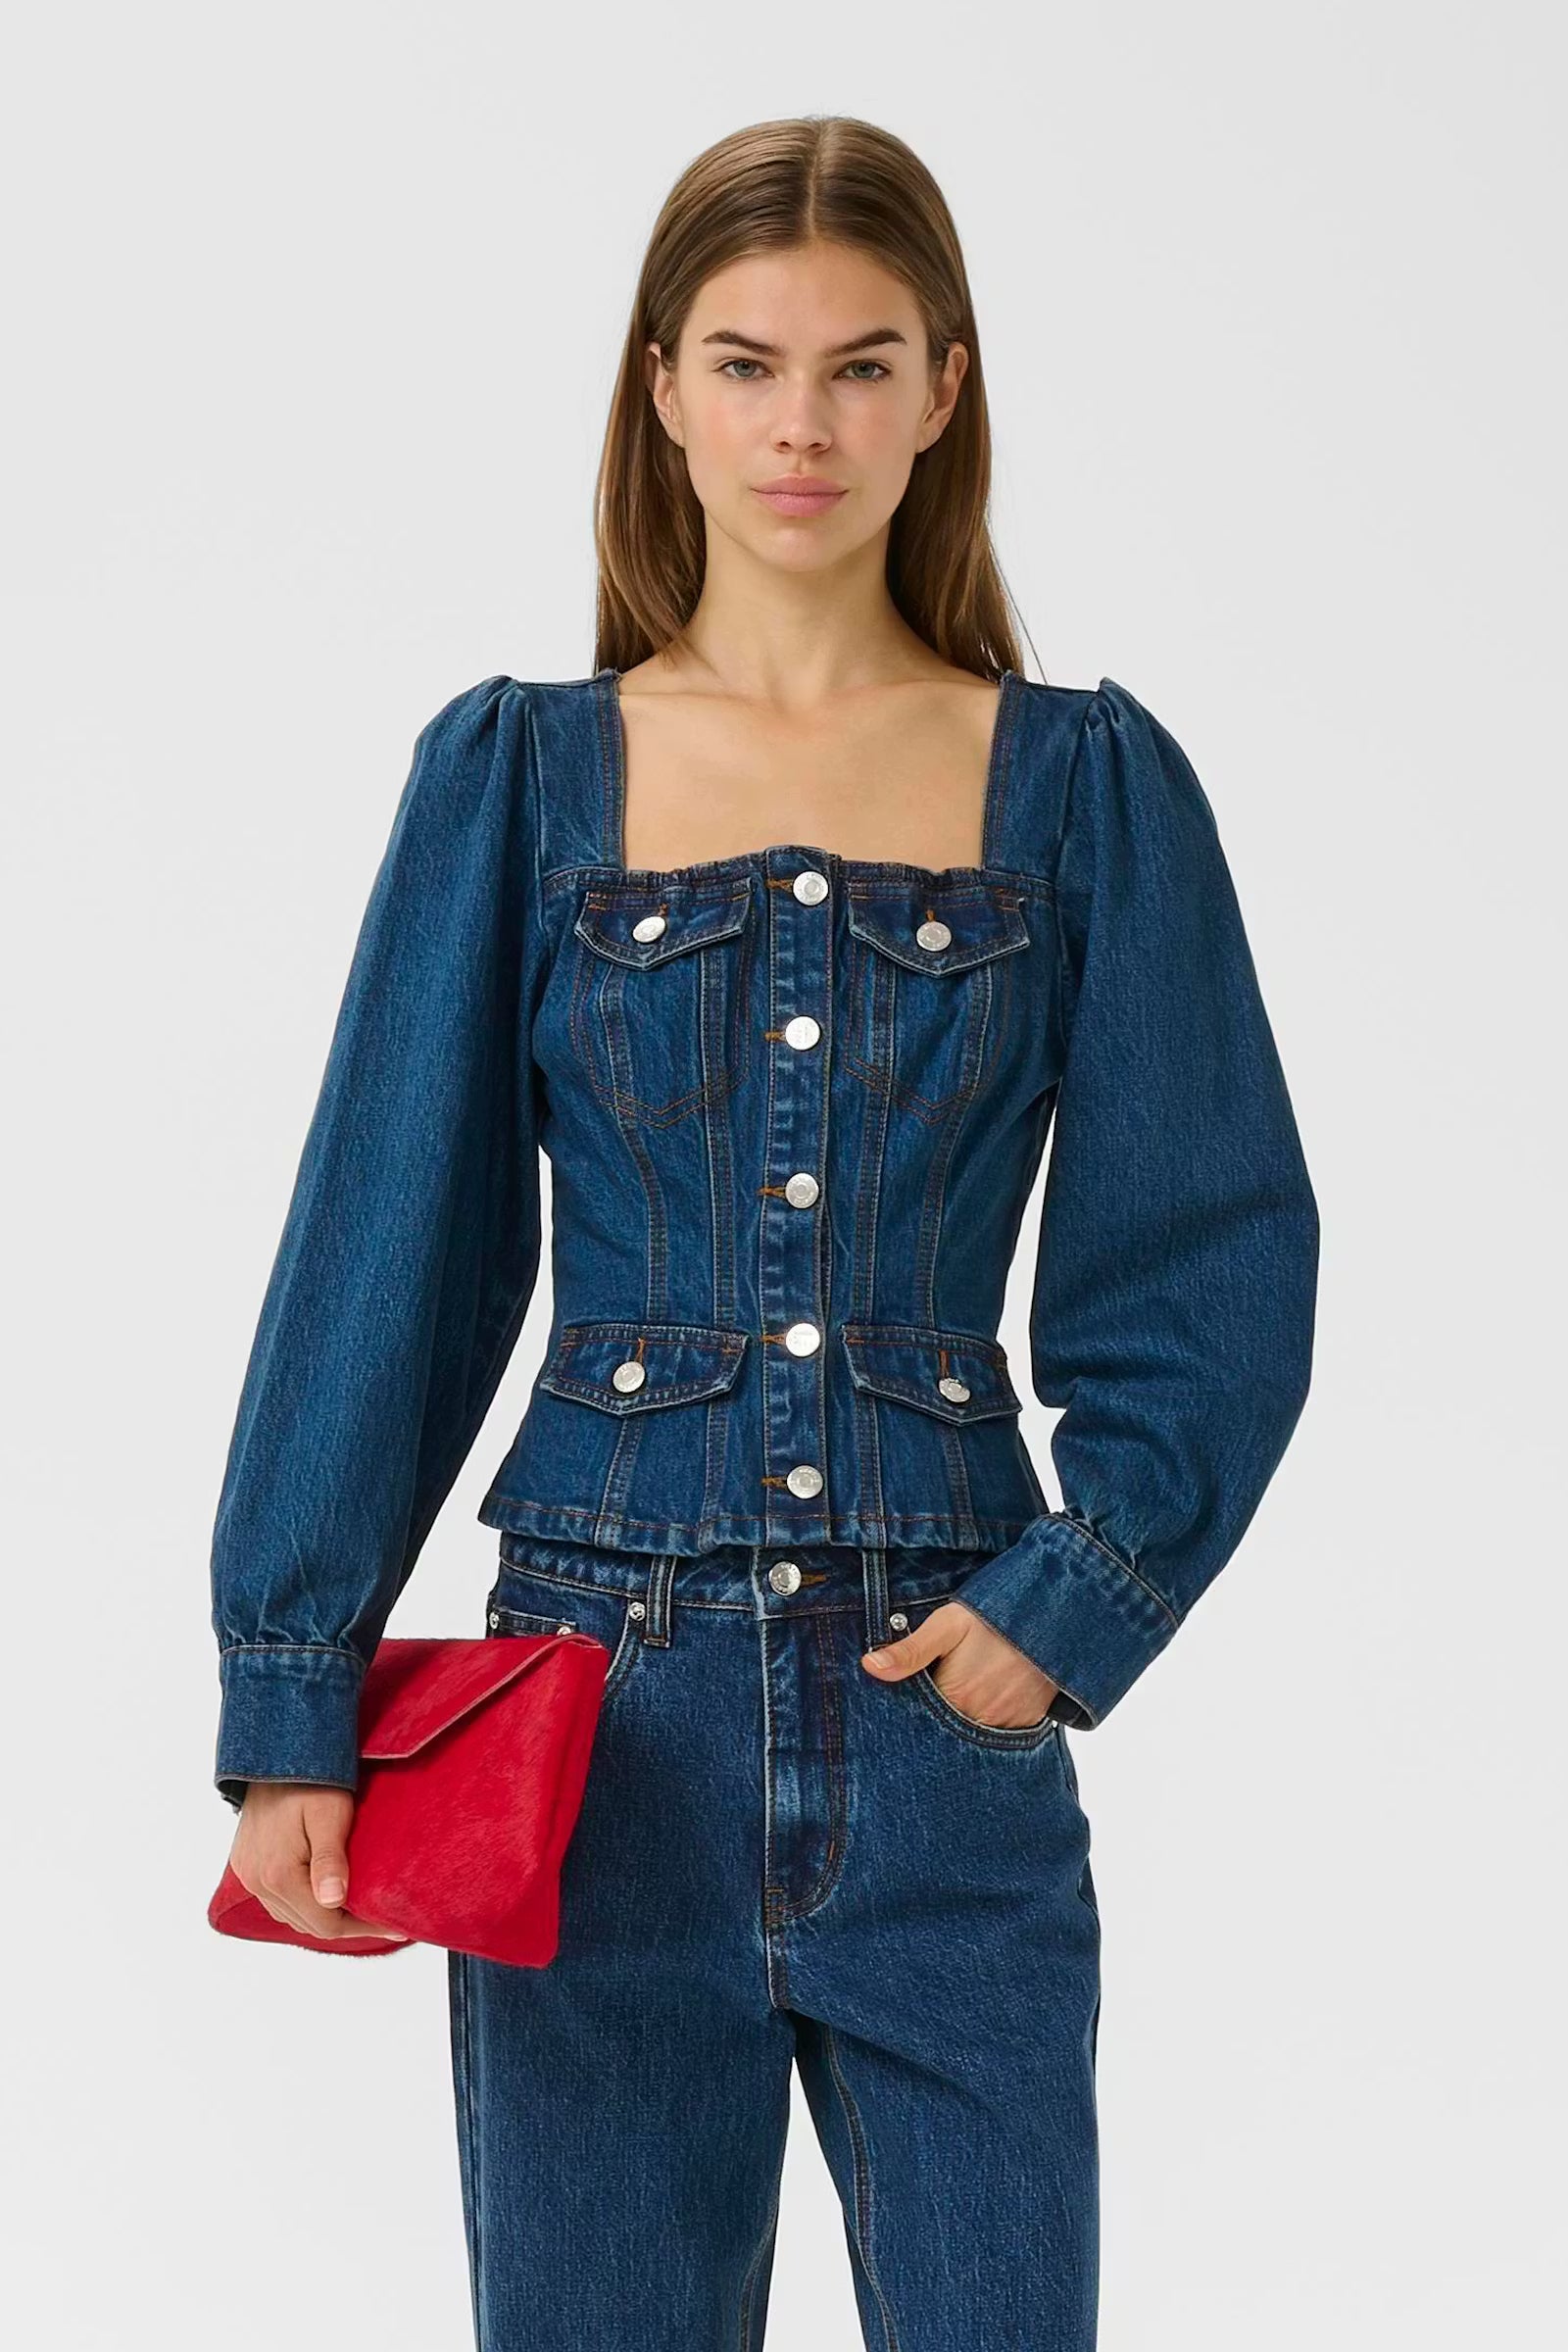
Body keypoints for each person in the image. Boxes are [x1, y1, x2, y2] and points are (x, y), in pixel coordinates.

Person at [208, 115, 1319, 2352]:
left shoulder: (1084, 785)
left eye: (857, 365)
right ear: (661, 391)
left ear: (943, 390)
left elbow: (1202, 1259)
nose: (798, 425)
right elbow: (387, 1256)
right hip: (597, 1733)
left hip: (947, 1738)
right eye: (743, 364)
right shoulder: (520, 777)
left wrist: (1061, 1612)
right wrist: (291, 1691)